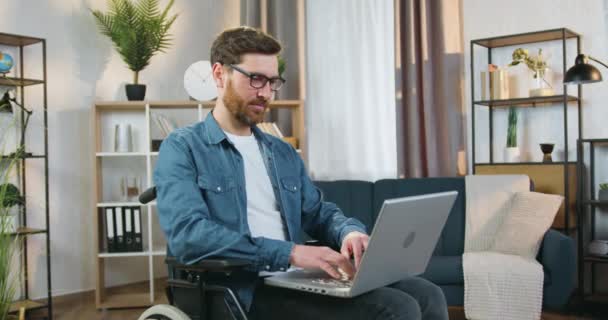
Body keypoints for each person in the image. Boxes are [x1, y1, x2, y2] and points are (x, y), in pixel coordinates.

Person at [154, 26, 448, 320]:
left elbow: (318, 212)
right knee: (397, 308)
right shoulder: (183, 148)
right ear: (219, 74)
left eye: (272, 82)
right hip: (243, 290)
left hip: (294, 279)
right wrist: (291, 253)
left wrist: (349, 232)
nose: (266, 93)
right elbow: (188, 236)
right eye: (255, 79)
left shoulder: (279, 151)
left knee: (427, 293)